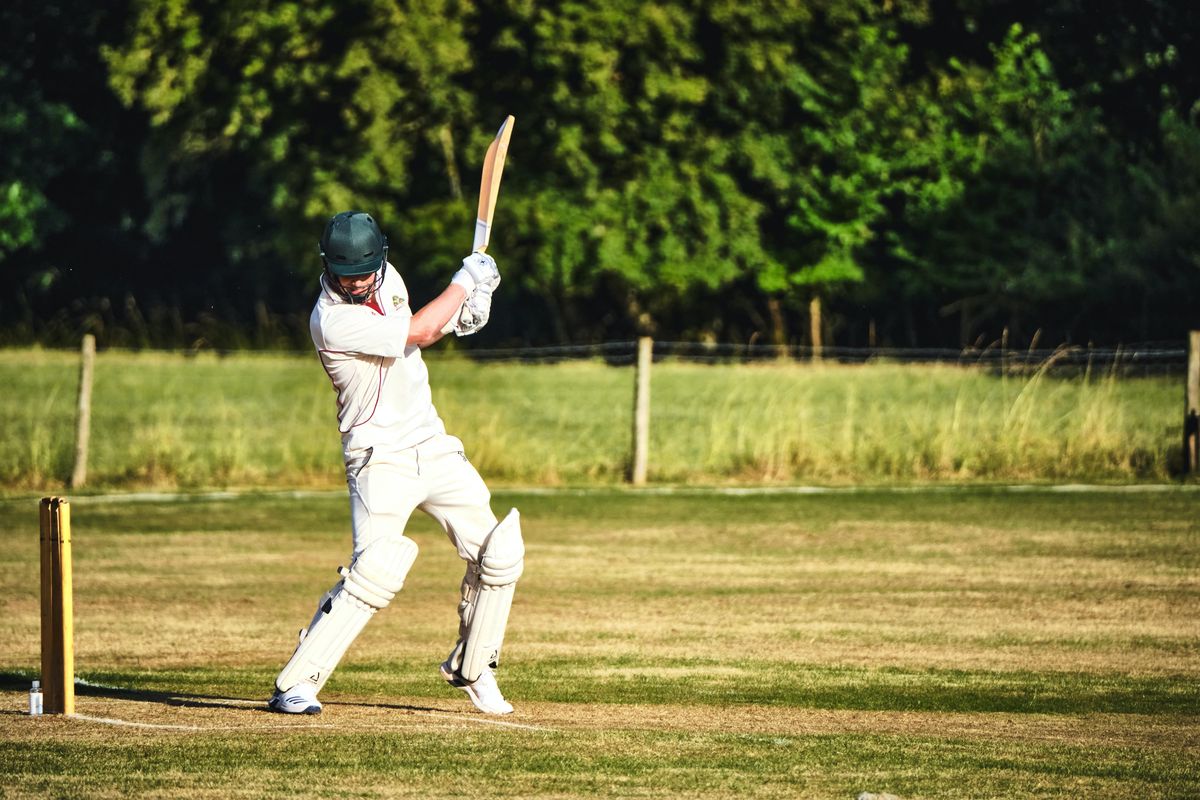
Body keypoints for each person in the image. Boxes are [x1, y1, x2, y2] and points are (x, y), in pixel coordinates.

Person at [267, 210, 525, 716]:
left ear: (380, 259)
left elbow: (439, 325)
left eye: (364, 272)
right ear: (328, 268)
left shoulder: (389, 279)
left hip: (430, 440)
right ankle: (296, 683)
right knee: (375, 572)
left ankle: (475, 668)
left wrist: (476, 300)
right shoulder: (331, 317)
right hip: (376, 456)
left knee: (498, 553)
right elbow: (421, 331)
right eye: (346, 274)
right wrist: (463, 278)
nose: (357, 282)